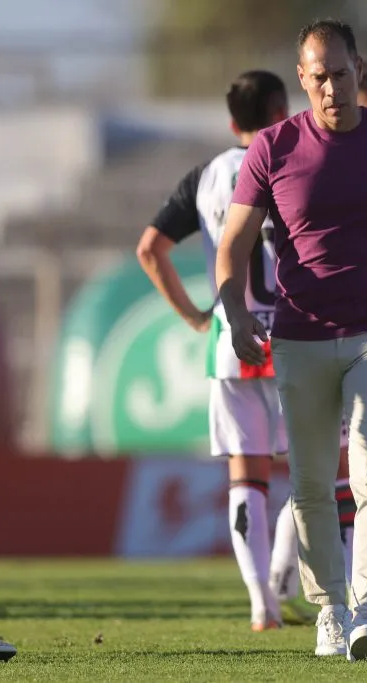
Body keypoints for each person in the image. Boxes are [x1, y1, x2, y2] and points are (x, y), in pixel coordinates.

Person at [215, 19, 367, 661]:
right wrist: (235, 313)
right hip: (300, 336)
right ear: (302, 78)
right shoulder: (272, 148)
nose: (332, 88)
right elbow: (232, 245)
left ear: (358, 69)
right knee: (312, 485)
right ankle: (331, 611)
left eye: (341, 74)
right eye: (319, 77)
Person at [135, 70, 321, 631]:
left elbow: (150, 249)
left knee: (248, 478)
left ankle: (262, 601)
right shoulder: (295, 159)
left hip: (232, 340)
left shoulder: (208, 176)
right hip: (296, 336)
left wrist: (196, 315)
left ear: (231, 120)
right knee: (317, 471)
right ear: (281, 110)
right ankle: (291, 576)